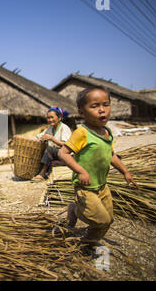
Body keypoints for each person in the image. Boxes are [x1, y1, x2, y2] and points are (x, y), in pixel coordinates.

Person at [58, 86, 138, 255]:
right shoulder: (82, 133)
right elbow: (63, 153)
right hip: (85, 188)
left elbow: (111, 155)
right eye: (94, 106)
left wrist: (125, 172)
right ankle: (76, 208)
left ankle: (88, 242)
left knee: (108, 220)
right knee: (101, 220)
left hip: (102, 186)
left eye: (105, 104)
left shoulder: (107, 133)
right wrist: (80, 171)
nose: (102, 110)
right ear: (82, 112)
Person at [32, 107, 72, 181]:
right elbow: (39, 137)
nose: (50, 120)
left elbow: (66, 145)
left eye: (52, 117)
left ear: (59, 118)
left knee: (49, 149)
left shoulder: (64, 128)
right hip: (56, 155)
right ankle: (37, 172)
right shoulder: (50, 128)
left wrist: (52, 138)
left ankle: (42, 174)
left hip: (66, 155)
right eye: (48, 118)